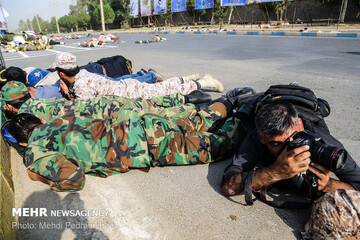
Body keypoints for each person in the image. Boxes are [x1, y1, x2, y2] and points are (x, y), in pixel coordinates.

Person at [8, 99, 246, 192]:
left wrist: (45, 180)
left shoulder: (34, 151)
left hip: (149, 147)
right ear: (40, 120)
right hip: (143, 124)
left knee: (219, 146)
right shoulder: (60, 117)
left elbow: (74, 179)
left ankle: (246, 113)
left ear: (22, 141)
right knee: (200, 121)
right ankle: (231, 102)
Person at [221, 101, 360, 199]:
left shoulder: (325, 143)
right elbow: (228, 186)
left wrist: (328, 185)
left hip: (299, 107)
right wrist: (275, 172)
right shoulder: (256, 138)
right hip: (262, 103)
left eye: (295, 139)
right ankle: (242, 99)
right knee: (242, 115)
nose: (288, 150)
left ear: (300, 125)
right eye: (276, 144)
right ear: (261, 137)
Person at [54, 52, 224, 100]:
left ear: (62, 74)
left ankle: (203, 82)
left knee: (168, 93)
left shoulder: (80, 86)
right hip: (129, 85)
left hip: (132, 94)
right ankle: (187, 78)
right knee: (161, 86)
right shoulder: (83, 73)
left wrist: (68, 94)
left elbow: (85, 107)